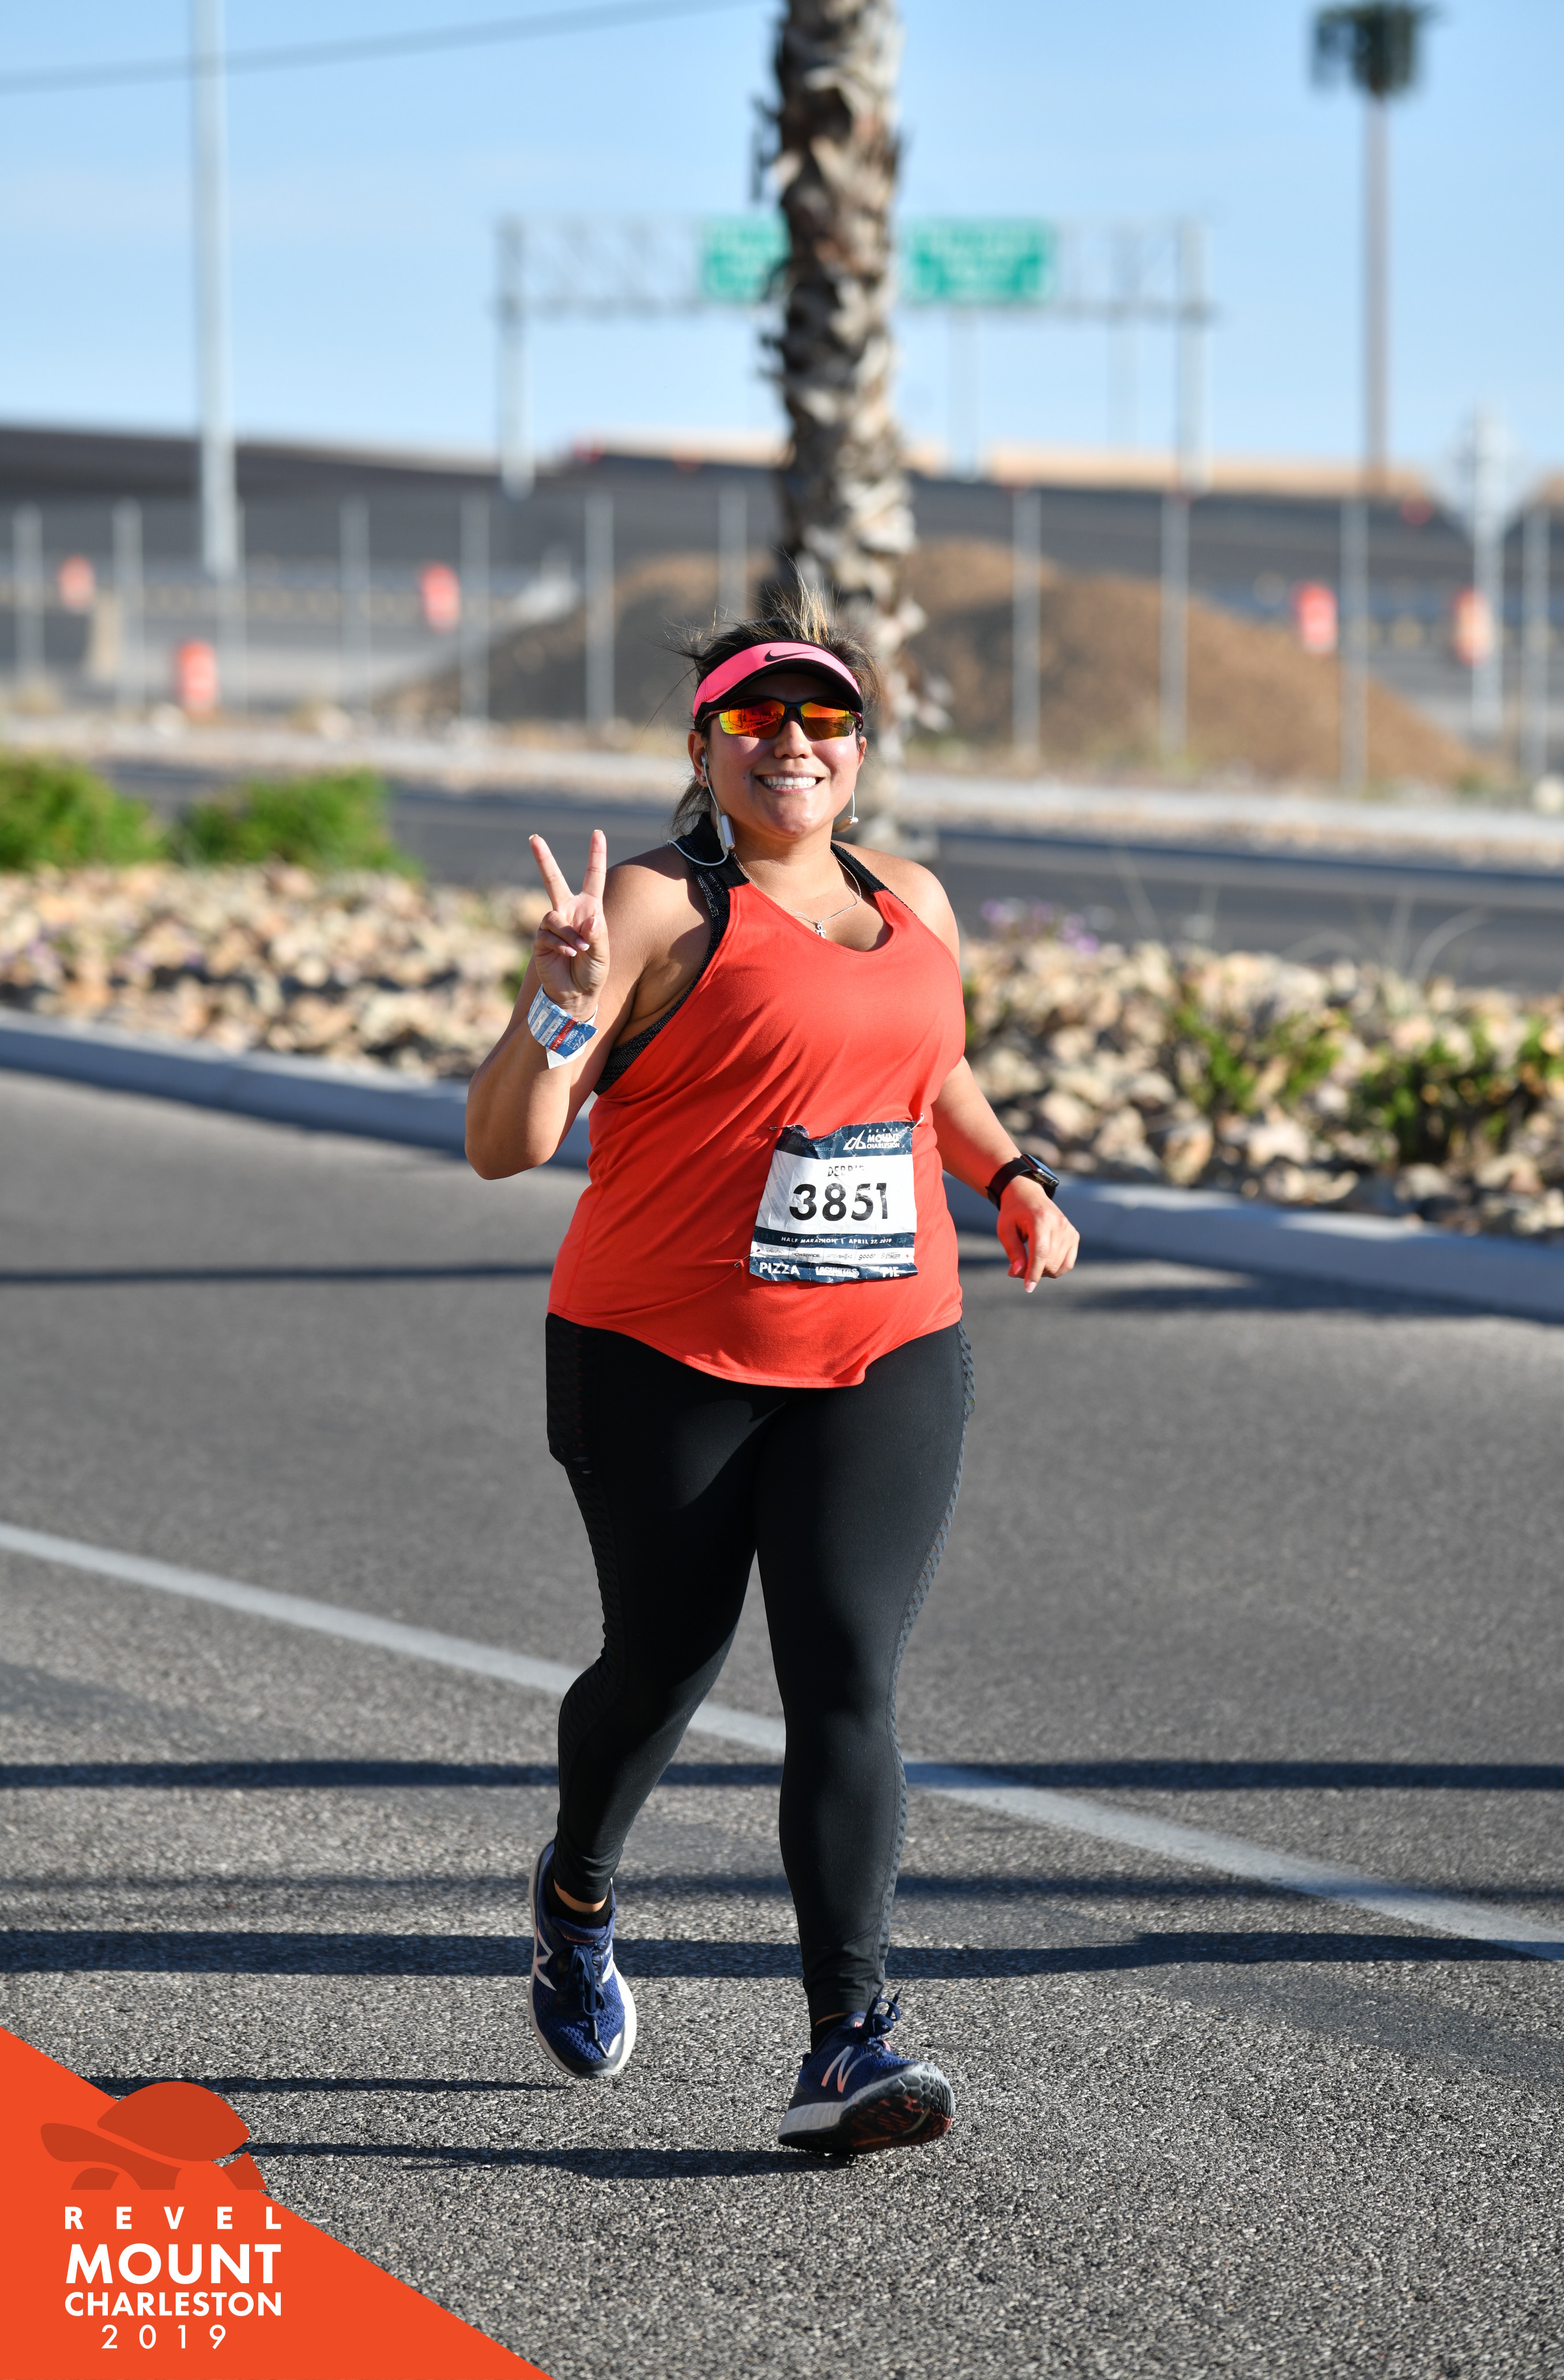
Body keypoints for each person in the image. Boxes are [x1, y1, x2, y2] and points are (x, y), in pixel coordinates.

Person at [466, 586, 1078, 2157]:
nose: (791, 743)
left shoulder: (914, 900)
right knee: (663, 1666)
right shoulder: (658, 909)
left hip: (887, 1347)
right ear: (705, 751)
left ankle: (846, 2043)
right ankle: (577, 1893)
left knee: (846, 1677)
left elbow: (933, 1071)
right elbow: (505, 1144)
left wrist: (1013, 1175)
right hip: (660, 1353)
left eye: (823, 719)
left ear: (860, 751)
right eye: (754, 718)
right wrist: (558, 1000)